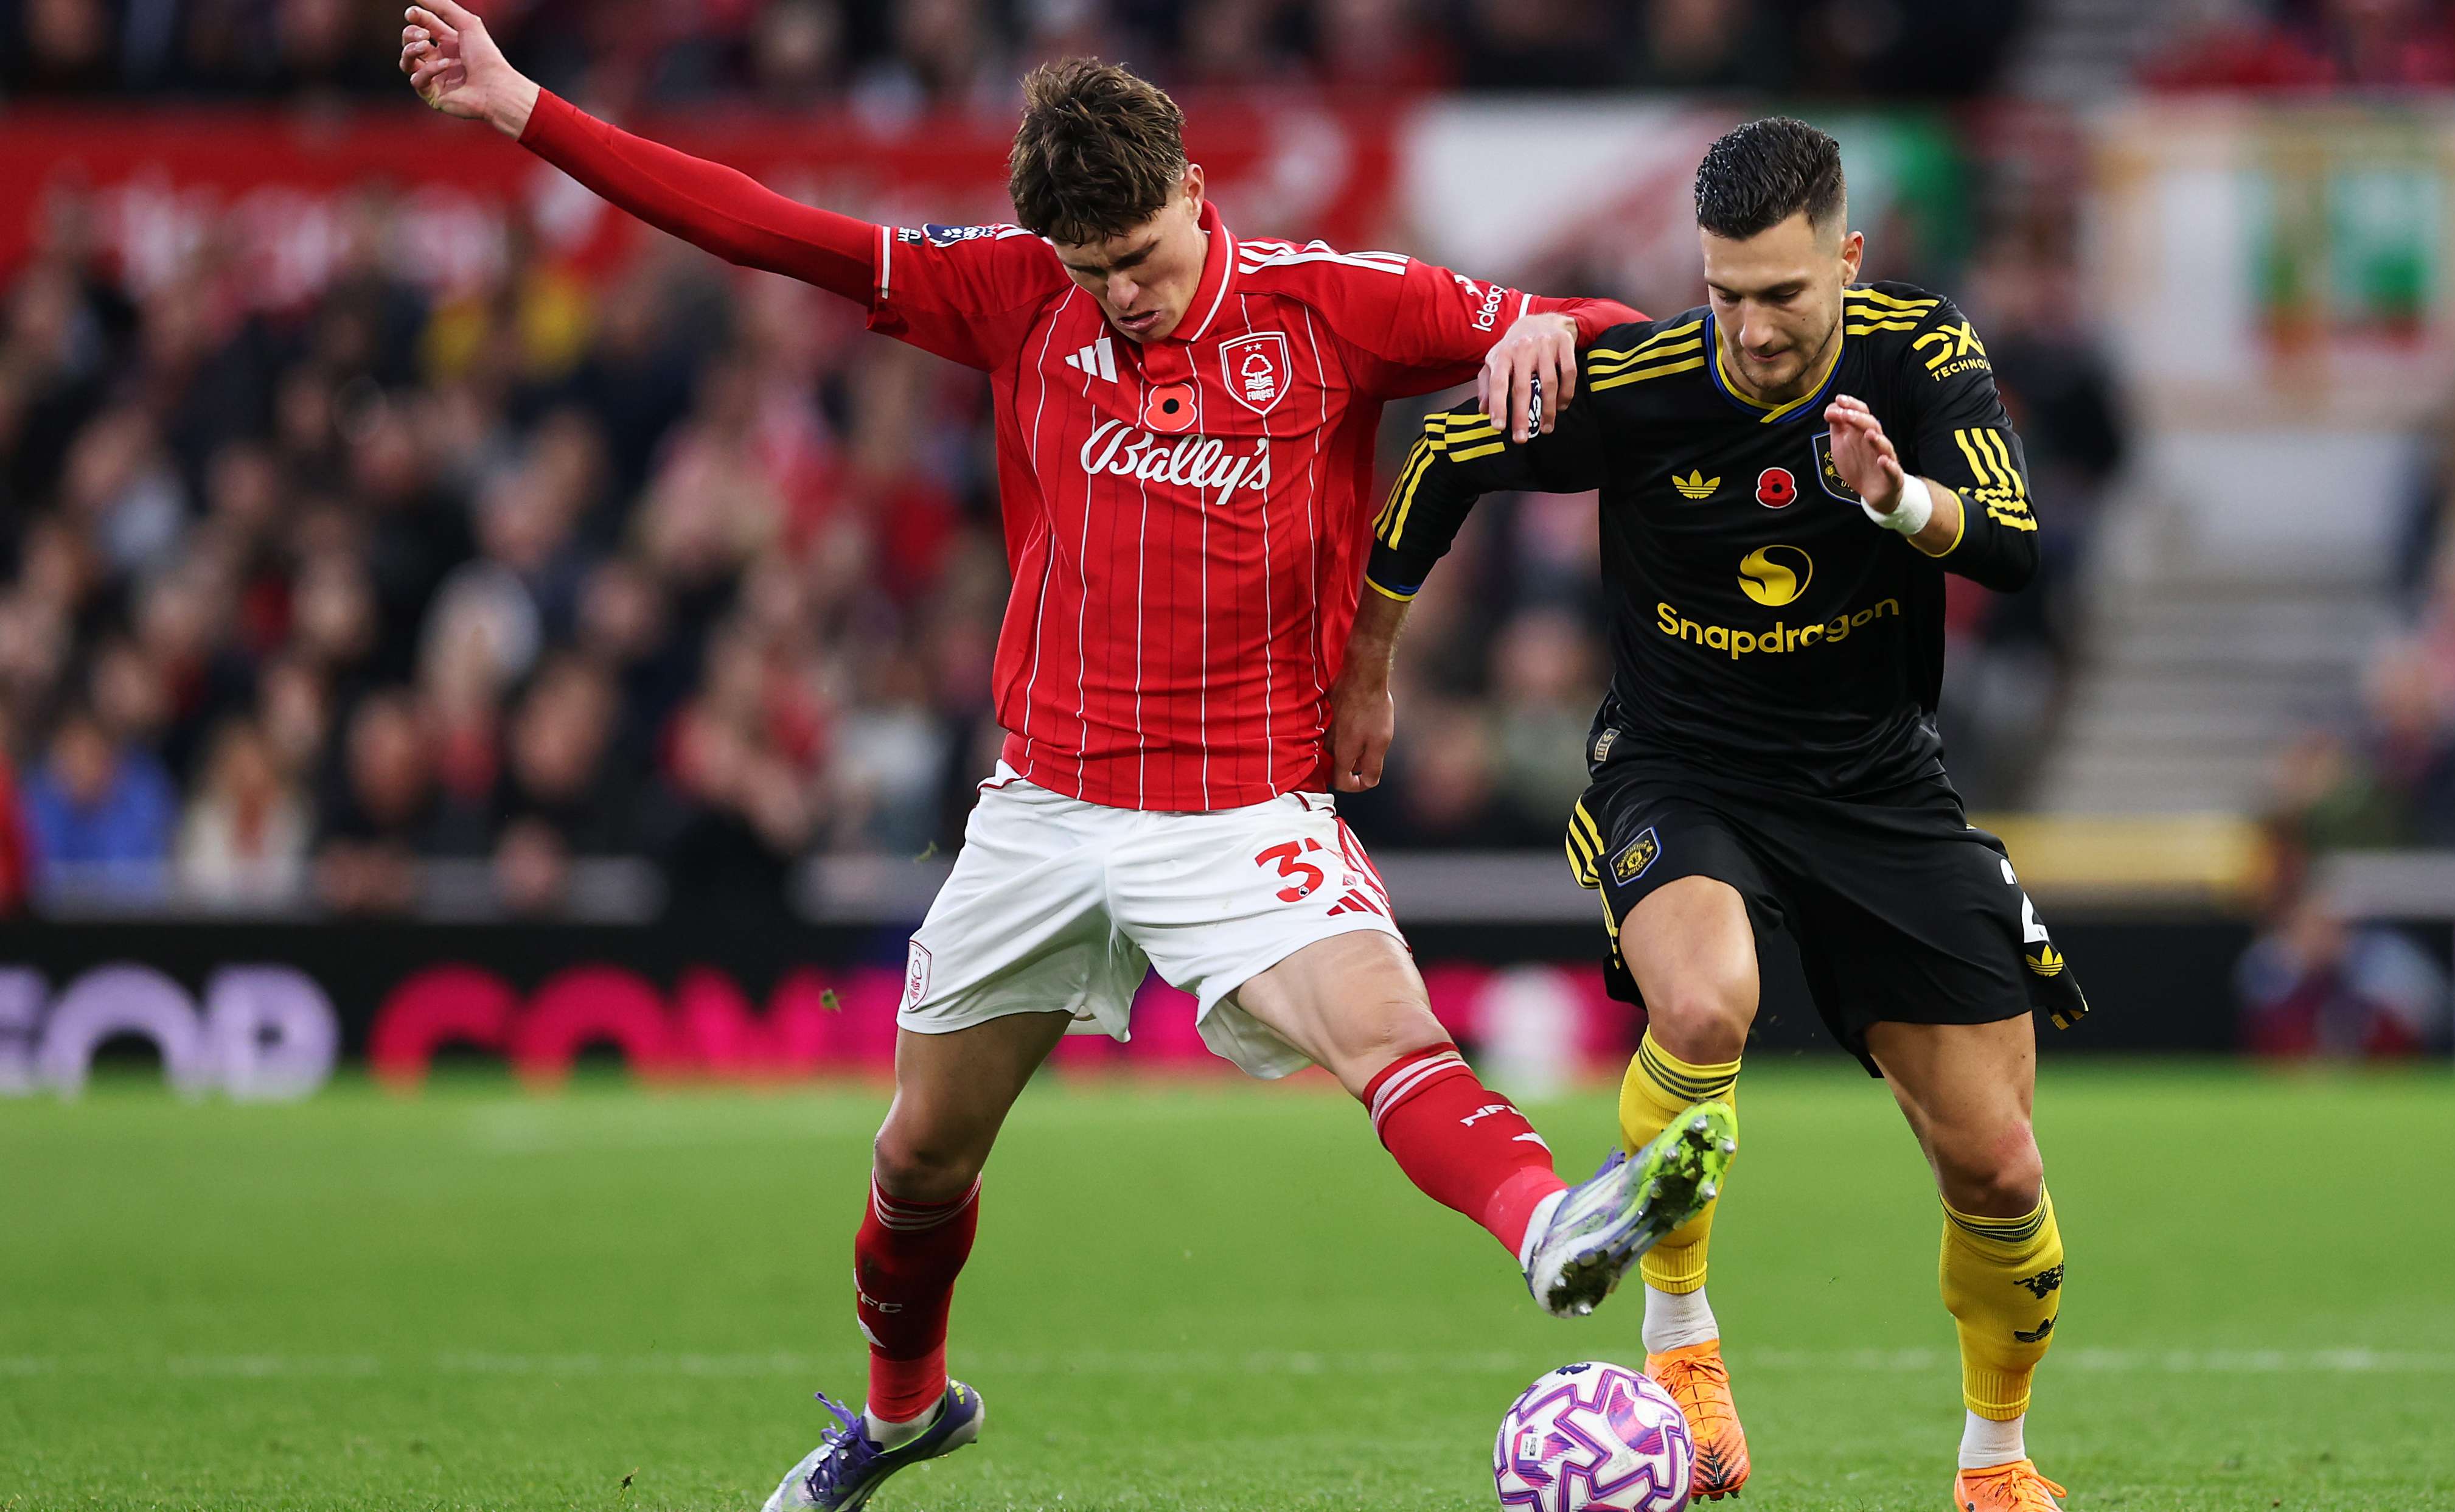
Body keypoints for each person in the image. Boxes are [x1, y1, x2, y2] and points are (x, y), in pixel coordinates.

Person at [395, 10, 1735, 1511]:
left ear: (1195, 193)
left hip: (1236, 808)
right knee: (915, 1164)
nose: (1123, 298)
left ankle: (1553, 1221)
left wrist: (1556, 323)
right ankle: (905, 1415)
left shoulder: (1334, 305)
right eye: (1092, 273)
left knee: (1386, 1034)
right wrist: (525, 109)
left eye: (1142, 261)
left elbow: (1622, 351)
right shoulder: (1018, 290)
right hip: (1039, 814)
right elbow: (777, 233)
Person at [1335, 119, 2091, 1510]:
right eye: (1723, 291)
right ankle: (1679, 1341)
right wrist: (1371, 664)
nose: (1747, 326)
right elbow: (1443, 455)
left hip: (1877, 788)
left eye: (1782, 295)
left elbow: (2017, 545)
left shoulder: (1922, 354)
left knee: (1996, 1162)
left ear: (1847, 263)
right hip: (1680, 769)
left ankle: (1994, 1459)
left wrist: (1895, 496)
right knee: (1704, 1007)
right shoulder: (1641, 381)